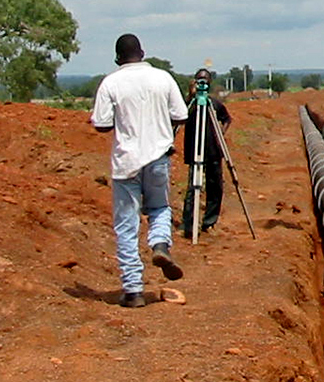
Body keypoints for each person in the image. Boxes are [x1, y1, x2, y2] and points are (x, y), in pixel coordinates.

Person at [90, 33, 188, 308]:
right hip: (157, 158)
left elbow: (100, 124)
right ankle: (159, 245)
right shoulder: (163, 78)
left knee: (126, 226)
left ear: (117, 58)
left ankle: (133, 291)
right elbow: (181, 115)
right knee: (159, 208)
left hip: (126, 164)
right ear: (143, 53)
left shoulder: (111, 82)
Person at [181, 68, 233, 238]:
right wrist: (191, 97)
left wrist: (221, 134)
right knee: (193, 188)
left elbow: (227, 119)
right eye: (199, 80)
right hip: (194, 150)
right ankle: (188, 224)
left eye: (205, 80)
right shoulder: (189, 104)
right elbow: (180, 117)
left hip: (213, 151)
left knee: (215, 187)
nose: (202, 83)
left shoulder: (214, 104)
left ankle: (209, 222)